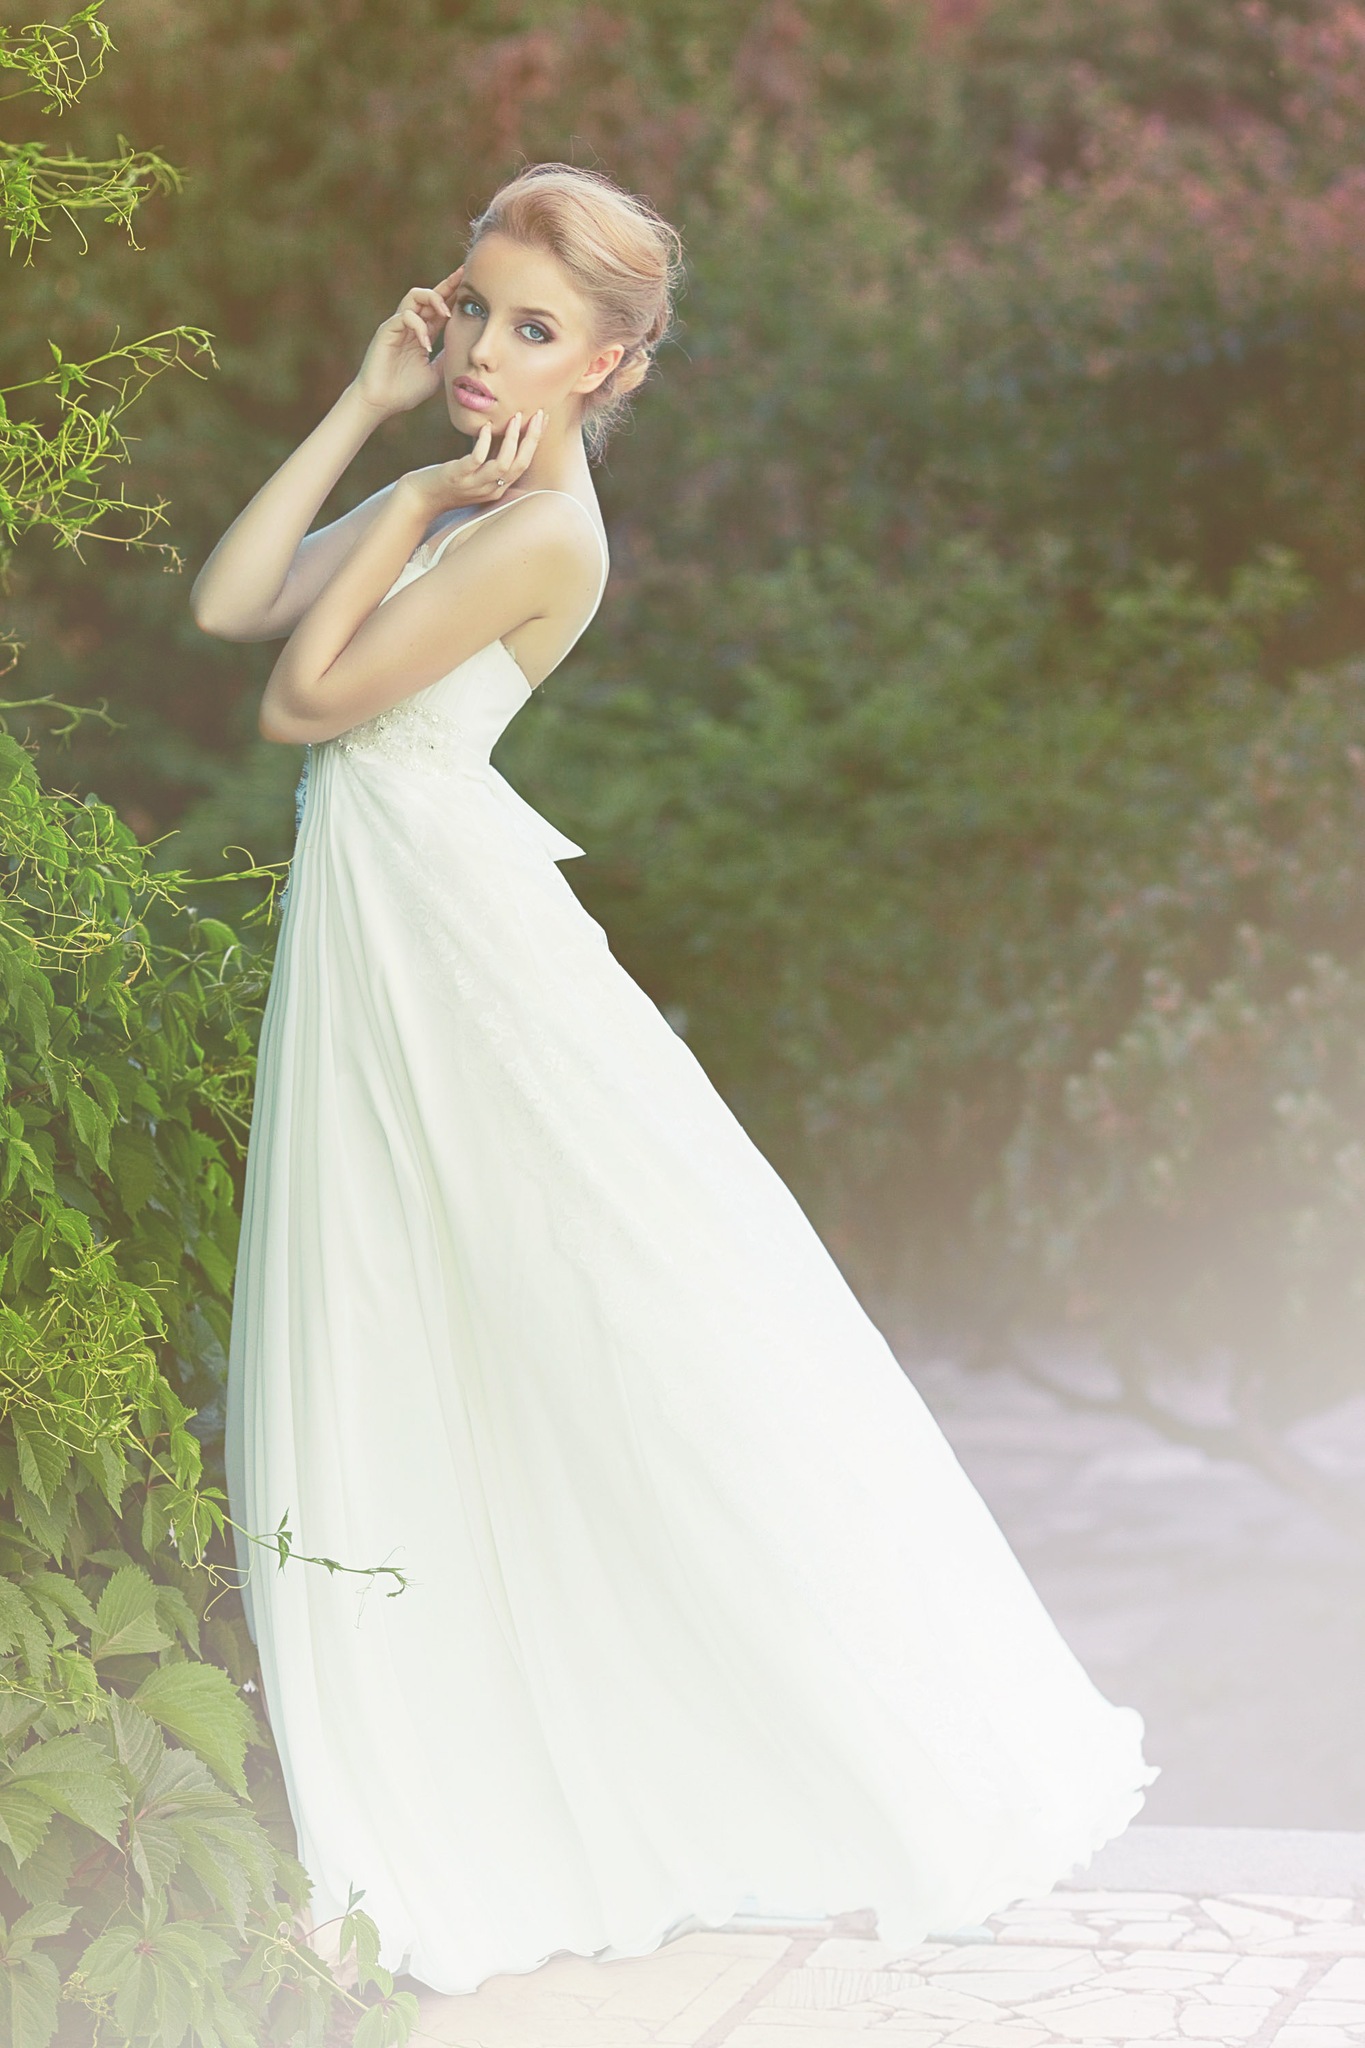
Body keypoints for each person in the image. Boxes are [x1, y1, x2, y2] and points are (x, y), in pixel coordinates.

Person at [199, 162, 1159, 2000]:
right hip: (393, 933)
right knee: (413, 1315)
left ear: (609, 364)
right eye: (472, 309)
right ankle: (430, 1777)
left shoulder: (539, 531)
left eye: (532, 329)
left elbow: (299, 707)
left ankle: (777, 1741)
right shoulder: (456, 487)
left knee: (594, 1319)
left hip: (454, 955)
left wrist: (423, 498)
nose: (481, 351)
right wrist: (369, 419)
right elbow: (237, 602)